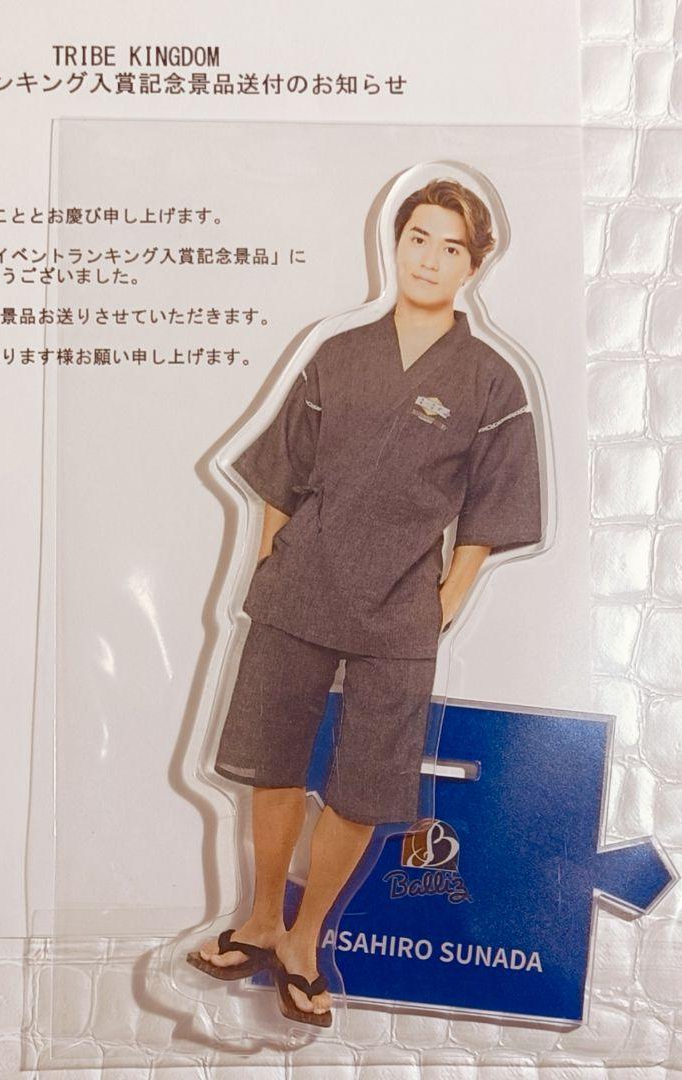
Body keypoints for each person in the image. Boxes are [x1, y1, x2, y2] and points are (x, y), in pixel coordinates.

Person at [186, 178, 544, 1025]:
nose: (430, 258)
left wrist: (445, 601)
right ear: (395, 242)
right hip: (300, 589)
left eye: (451, 247)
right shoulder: (339, 352)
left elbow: (491, 509)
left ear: (474, 264)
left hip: (401, 609)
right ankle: (260, 920)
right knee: (272, 760)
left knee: (363, 783)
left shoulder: (492, 382)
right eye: (418, 237)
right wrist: (271, 564)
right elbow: (283, 473)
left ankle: (305, 939)